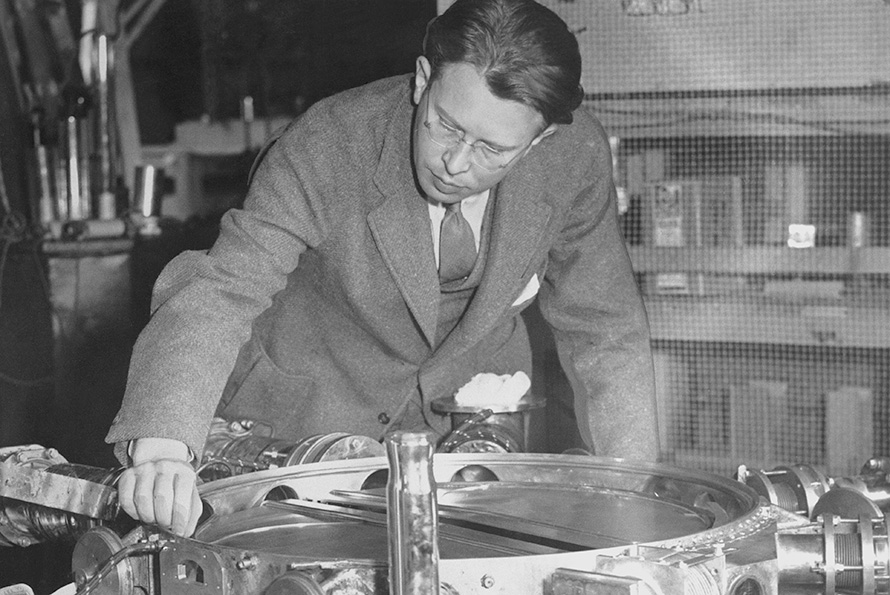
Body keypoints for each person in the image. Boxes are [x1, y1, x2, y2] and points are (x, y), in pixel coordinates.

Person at [107, 0, 659, 537]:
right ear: (423, 80)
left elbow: (603, 326)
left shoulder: (575, 157)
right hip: (301, 428)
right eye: (445, 125)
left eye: (493, 150)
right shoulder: (330, 143)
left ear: (540, 140)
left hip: (462, 441)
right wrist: (162, 449)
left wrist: (630, 490)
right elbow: (221, 293)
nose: (456, 163)